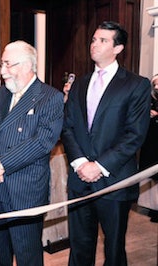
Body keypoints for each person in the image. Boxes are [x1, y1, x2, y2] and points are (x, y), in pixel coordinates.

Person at [61, 21, 150, 266]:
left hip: (115, 181)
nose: (94, 45)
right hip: (80, 182)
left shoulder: (135, 84)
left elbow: (135, 134)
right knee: (79, 249)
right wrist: (80, 163)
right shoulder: (80, 83)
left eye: (102, 40)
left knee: (113, 250)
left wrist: (98, 166)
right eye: (93, 39)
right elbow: (67, 127)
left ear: (118, 48)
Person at [0, 40, 64, 265]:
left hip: (24, 190)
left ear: (27, 65)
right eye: (1, 65)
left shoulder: (50, 97)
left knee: (27, 256)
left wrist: (2, 164)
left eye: (8, 64)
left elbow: (42, 142)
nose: (2, 71)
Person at [139, 74, 158, 222]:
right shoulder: (149, 100)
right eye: (155, 84)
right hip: (151, 143)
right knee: (152, 176)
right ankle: (154, 208)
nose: (157, 87)